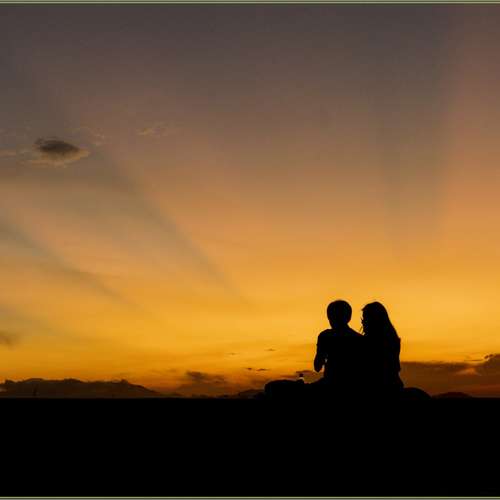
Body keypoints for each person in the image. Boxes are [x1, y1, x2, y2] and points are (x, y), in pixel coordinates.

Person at [312, 299, 366, 397]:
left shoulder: (325, 336)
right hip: (355, 387)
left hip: (331, 386)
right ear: (348, 318)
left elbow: (317, 367)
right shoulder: (359, 339)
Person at [361, 301, 404, 398]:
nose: (363, 322)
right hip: (394, 383)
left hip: (379, 386)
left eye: (365, 318)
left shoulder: (369, 342)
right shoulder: (392, 337)